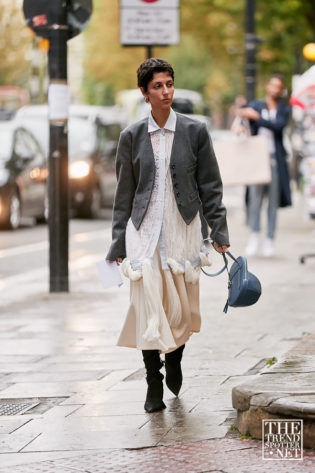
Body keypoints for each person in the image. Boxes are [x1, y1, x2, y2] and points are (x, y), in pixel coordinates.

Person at [106, 58, 229, 413]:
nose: (165, 92)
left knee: (180, 310)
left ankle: (174, 357)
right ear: (144, 92)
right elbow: (123, 195)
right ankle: (152, 381)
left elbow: (210, 186)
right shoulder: (131, 136)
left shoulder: (195, 131)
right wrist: (117, 243)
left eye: (169, 84)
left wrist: (218, 230)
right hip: (143, 234)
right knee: (147, 307)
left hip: (184, 230)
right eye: (157, 86)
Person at [238, 74, 292, 257]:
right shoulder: (256, 104)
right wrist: (244, 119)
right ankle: (254, 235)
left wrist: (257, 118)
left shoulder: (284, 108)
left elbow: (278, 127)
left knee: (273, 202)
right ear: (268, 86)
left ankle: (270, 239)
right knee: (255, 200)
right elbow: (242, 114)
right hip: (256, 159)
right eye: (273, 85)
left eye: (279, 87)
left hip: (275, 159)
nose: (275, 89)